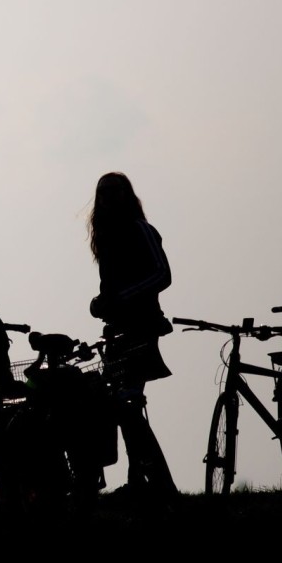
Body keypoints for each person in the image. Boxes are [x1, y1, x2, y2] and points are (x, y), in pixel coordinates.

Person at [87, 172, 178, 504]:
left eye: (113, 192)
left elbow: (162, 274)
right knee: (123, 407)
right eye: (103, 193)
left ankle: (159, 485)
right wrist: (100, 303)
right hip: (116, 332)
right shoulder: (107, 238)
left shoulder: (141, 230)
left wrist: (123, 298)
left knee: (127, 403)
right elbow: (109, 290)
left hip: (141, 328)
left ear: (126, 195)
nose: (108, 198)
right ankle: (141, 482)